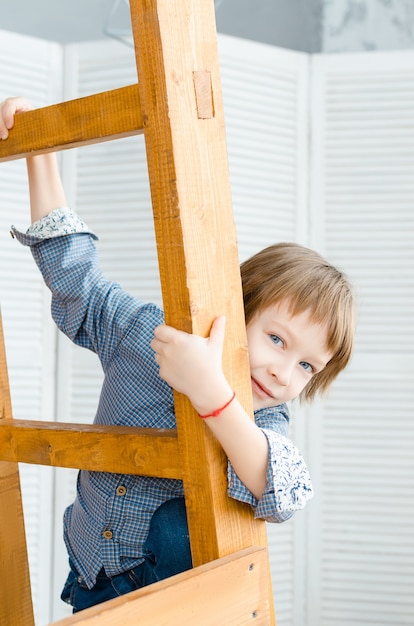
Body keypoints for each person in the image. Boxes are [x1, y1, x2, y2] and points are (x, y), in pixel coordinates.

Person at [0, 96, 355, 612]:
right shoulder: (146, 334)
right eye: (276, 340)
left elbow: (282, 489)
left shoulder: (264, 419)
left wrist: (212, 393)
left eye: (306, 366)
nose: (282, 372)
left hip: (180, 605)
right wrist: (39, 150)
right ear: (238, 306)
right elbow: (76, 279)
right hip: (93, 572)